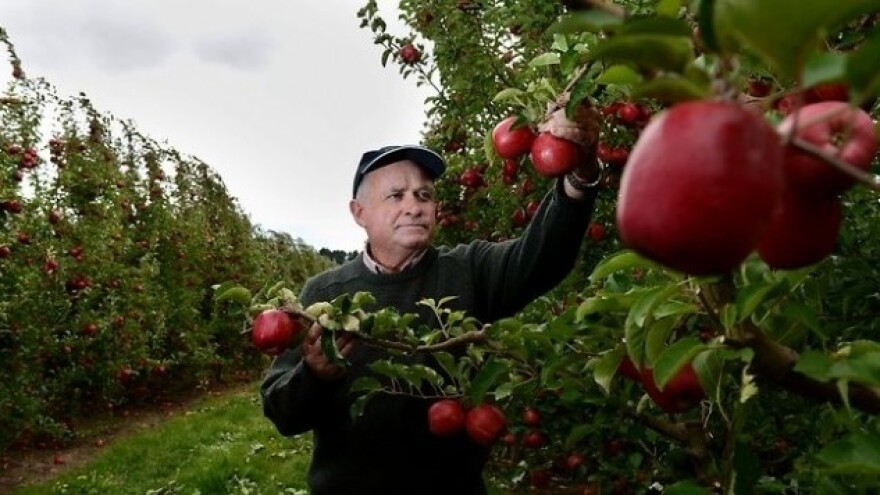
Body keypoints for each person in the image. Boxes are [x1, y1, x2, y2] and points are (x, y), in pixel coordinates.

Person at [260, 98, 604, 495]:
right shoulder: (324, 294)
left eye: (424, 196)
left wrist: (580, 169)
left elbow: (543, 257)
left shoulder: (468, 270)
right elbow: (283, 414)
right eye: (396, 195)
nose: (415, 207)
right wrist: (314, 375)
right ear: (359, 213)